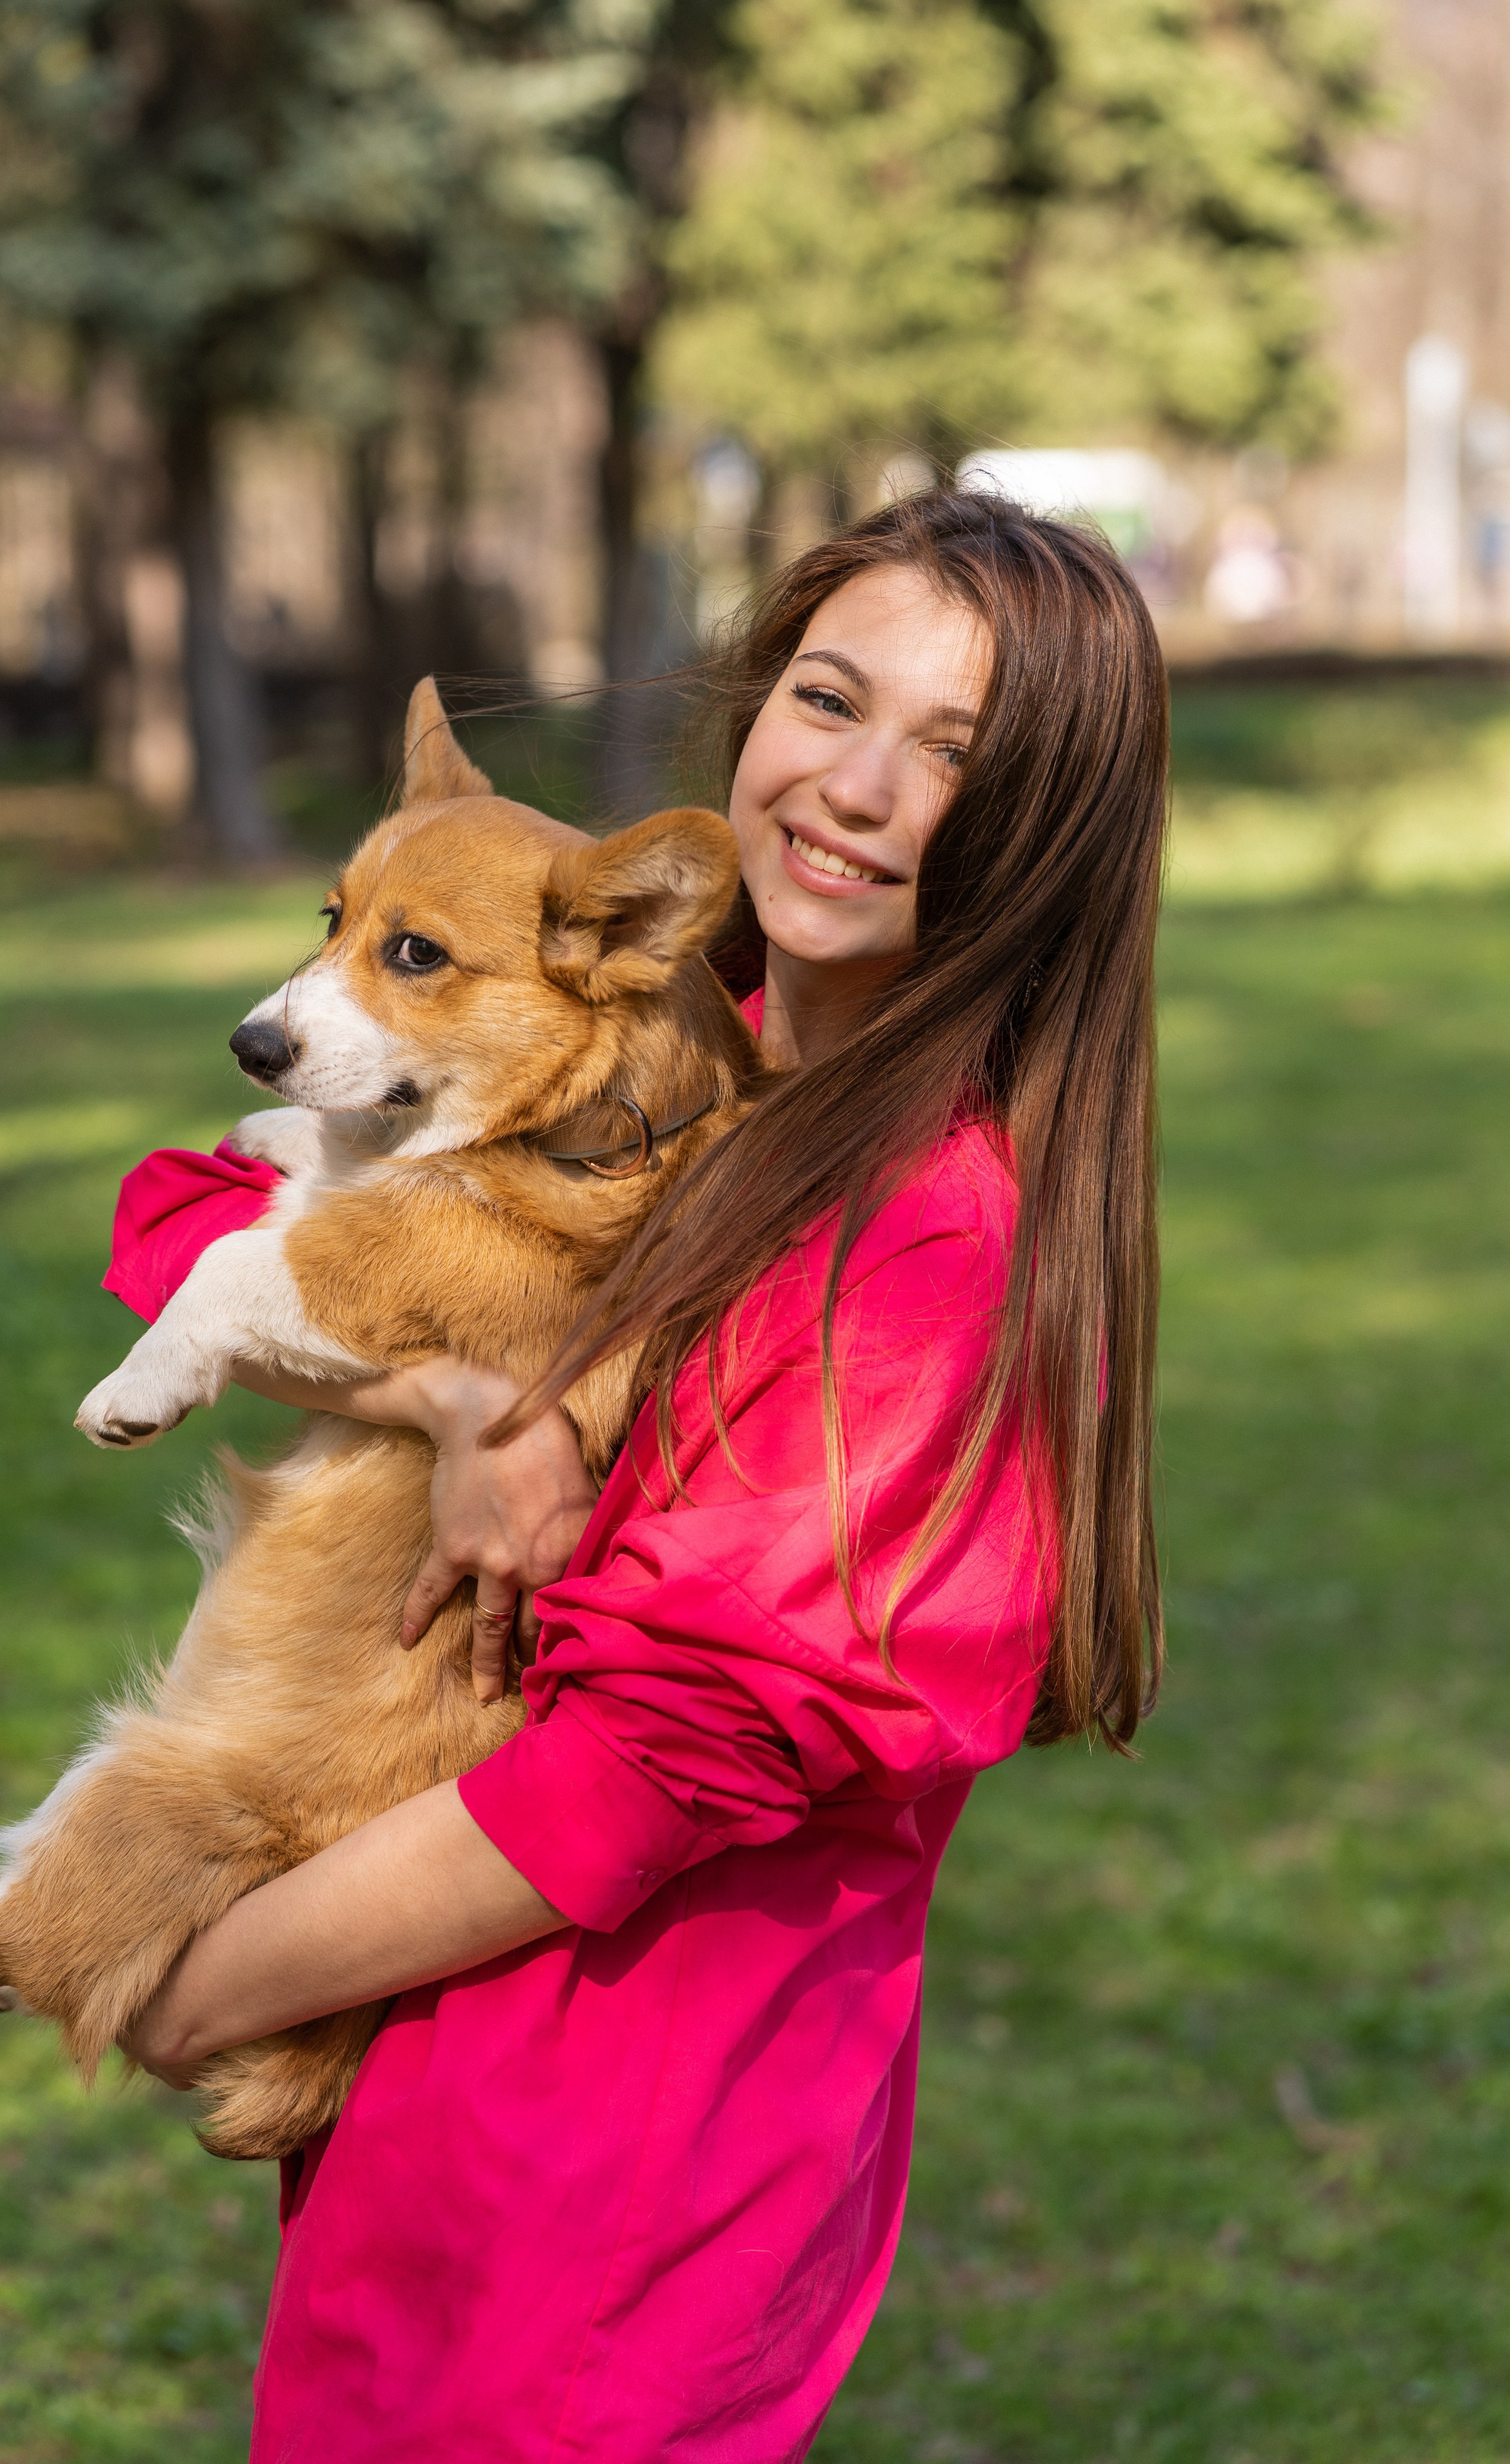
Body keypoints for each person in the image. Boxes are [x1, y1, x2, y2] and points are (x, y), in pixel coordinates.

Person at [110, 488, 1167, 2462]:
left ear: (1049, 832)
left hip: (619, 2145)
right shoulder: (663, 1062)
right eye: (830, 698)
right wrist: (459, 1409)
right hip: (426, 2068)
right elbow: (191, 1209)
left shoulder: (934, 1241)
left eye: (953, 755)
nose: (854, 788)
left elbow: (648, 1767)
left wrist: (201, 1979)